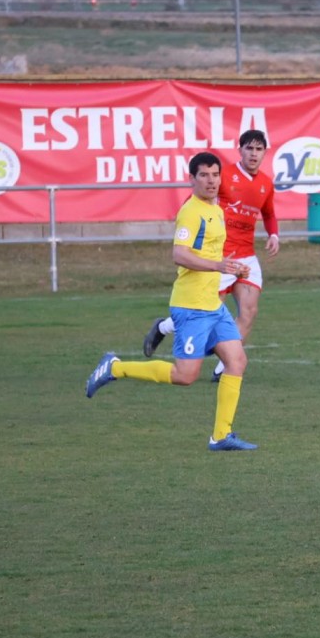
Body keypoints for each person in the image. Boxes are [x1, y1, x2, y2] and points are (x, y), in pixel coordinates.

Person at [86, 152, 257, 451]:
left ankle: (220, 436)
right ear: (191, 179)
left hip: (212, 305)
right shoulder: (191, 211)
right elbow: (179, 254)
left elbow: (207, 253)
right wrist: (218, 266)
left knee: (237, 360)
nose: (211, 180)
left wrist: (229, 265)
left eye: (215, 175)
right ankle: (115, 368)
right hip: (191, 306)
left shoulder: (215, 210)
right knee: (185, 376)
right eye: (203, 175)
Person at [143, 129, 280, 380]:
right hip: (221, 257)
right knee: (205, 309)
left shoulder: (265, 184)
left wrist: (274, 235)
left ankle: (224, 367)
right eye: (249, 148)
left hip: (247, 256)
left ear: (264, 152)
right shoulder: (222, 174)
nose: (253, 153)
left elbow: (269, 213)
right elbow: (196, 201)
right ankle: (164, 327)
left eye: (258, 149)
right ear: (240, 150)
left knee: (249, 311)